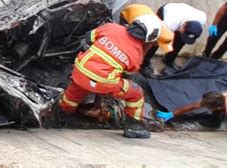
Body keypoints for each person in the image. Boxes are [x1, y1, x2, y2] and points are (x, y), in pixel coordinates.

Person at [59, 8, 164, 138]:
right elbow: (127, 72)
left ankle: (63, 115)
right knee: (136, 93)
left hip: (80, 72)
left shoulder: (111, 28)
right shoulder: (137, 55)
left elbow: (89, 37)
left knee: (73, 93)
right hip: (104, 83)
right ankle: (133, 127)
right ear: (150, 37)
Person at [156, 85, 227, 144]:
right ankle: (214, 122)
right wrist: (171, 114)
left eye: (208, 107)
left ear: (218, 106)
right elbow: (193, 106)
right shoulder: (218, 98)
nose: (205, 107)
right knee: (223, 114)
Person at [140, 3, 206, 72]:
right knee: (158, 41)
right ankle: (144, 62)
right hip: (166, 11)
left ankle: (169, 59)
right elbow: (154, 39)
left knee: (180, 41)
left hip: (182, 14)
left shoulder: (202, 18)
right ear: (183, 25)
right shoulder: (169, 23)